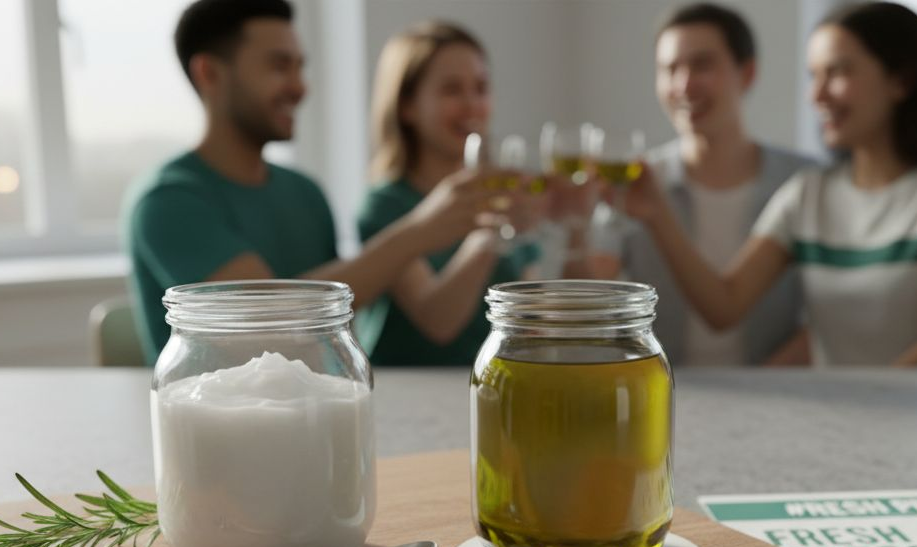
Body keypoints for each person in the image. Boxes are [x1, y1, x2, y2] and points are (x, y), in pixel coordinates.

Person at [617, 1, 917, 365]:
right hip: (836, 422)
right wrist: (657, 213)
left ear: (900, 81)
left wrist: (860, 415)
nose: (817, 95)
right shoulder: (808, 194)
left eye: (838, 72)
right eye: (813, 76)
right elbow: (723, 307)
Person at [125, 0, 492, 362]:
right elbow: (265, 327)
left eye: (301, 67)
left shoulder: (305, 193)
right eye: (279, 66)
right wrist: (422, 229)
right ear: (210, 74)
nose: (300, 88)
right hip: (220, 417)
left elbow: (334, 333)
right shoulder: (168, 201)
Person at [574, 3, 814, 366]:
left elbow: (829, 318)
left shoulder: (801, 182)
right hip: (664, 394)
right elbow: (590, 303)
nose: (683, 85)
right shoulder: (634, 182)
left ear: (746, 74)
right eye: (670, 69)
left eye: (702, 65)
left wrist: (770, 384)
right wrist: (572, 223)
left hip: (779, 392)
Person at [355, 21, 541, 366]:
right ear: (407, 106)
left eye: (481, 88)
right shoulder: (386, 206)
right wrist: (491, 229)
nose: (472, 104)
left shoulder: (505, 195)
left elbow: (534, 322)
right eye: (452, 90)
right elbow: (438, 320)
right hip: (411, 397)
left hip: (487, 387)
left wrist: (577, 226)